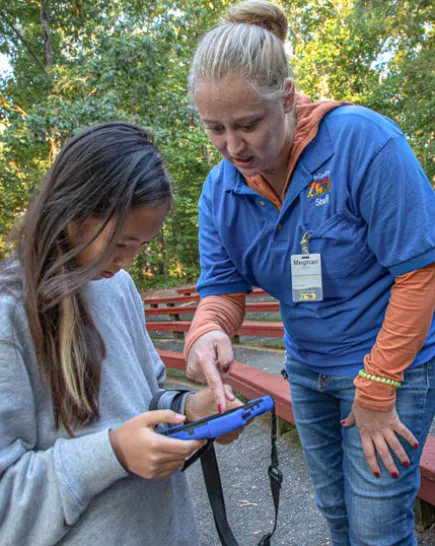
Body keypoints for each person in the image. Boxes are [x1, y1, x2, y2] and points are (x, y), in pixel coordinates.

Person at [184, 1, 435, 544]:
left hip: (391, 365)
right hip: (309, 370)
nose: (232, 147)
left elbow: (420, 276)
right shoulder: (219, 192)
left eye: (247, 125)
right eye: (215, 129)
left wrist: (377, 388)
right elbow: (223, 291)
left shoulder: (365, 144)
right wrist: (207, 332)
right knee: (337, 516)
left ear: (289, 98)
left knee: (377, 527)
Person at [0, 121, 243, 546]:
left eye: (141, 246)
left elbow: (146, 398)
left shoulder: (116, 285)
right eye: (120, 243)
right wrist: (112, 453)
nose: (128, 261)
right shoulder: (10, 317)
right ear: (71, 212)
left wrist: (189, 412)